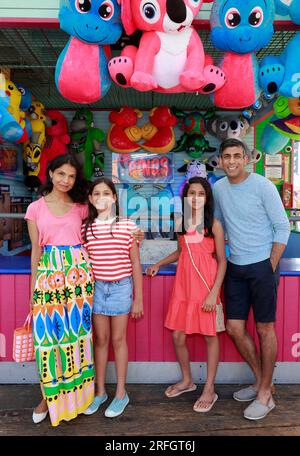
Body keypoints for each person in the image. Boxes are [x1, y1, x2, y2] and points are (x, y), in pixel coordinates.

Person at [213, 138, 290, 420]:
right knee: (234, 328)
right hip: (235, 266)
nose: (231, 161)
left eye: (236, 155)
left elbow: (282, 227)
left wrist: (269, 265)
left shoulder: (263, 186)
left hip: (262, 266)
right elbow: (218, 223)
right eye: (226, 156)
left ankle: (265, 394)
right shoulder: (219, 188)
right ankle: (262, 381)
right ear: (220, 161)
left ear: (247, 158)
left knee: (264, 329)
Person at [25, 154, 95, 426]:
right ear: (51, 174)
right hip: (48, 276)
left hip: (79, 277)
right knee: (47, 342)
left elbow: (101, 231)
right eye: (61, 174)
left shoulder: (81, 207)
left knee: (76, 338)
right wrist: (33, 290)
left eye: (72, 176)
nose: (66, 180)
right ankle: (48, 397)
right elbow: (36, 250)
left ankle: (77, 397)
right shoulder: (35, 209)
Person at [146, 177, 227, 413]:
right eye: (192, 193)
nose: (196, 198)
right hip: (183, 287)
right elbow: (181, 252)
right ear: (185, 197)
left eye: (201, 194)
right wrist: (159, 263)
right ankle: (187, 380)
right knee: (178, 336)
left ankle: (209, 388)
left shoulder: (215, 225)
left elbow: (222, 262)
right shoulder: (181, 222)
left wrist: (214, 294)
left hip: (206, 288)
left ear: (207, 197)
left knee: (211, 336)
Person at [82, 177, 144, 418]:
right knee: (100, 340)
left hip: (121, 288)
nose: (101, 197)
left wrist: (138, 299)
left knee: (118, 340)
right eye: (96, 193)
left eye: (106, 193)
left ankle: (120, 393)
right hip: (97, 290)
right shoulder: (85, 228)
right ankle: (100, 392)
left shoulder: (128, 226)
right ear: (90, 198)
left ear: (115, 197)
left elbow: (136, 263)